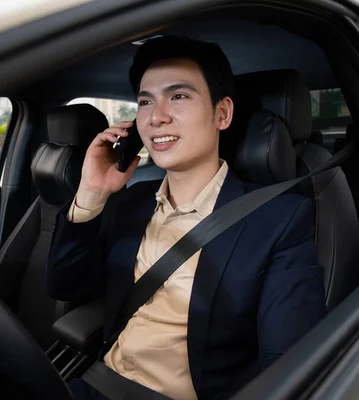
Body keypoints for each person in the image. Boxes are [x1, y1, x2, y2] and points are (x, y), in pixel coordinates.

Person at [47, 36, 326, 400]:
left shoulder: (279, 220)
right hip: (94, 385)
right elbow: (66, 287)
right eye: (146, 101)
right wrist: (91, 193)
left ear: (222, 114)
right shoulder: (129, 203)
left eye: (178, 96)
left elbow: (285, 364)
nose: (156, 116)